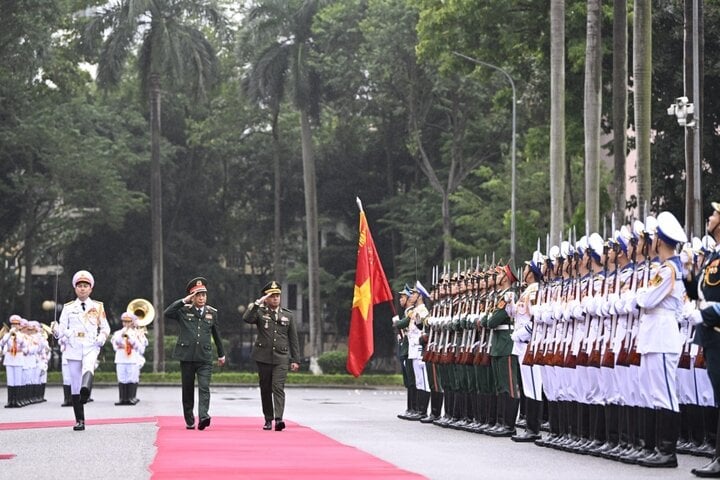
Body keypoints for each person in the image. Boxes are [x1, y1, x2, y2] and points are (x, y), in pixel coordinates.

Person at [164, 277, 225, 430]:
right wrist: (184, 301)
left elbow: (217, 335)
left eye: (204, 295)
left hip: (205, 357)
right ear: (192, 296)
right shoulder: (183, 311)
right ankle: (189, 418)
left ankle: (204, 416)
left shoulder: (212, 313)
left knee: (204, 387)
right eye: (198, 295)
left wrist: (221, 354)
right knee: (188, 389)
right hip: (187, 357)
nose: (201, 298)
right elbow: (167, 312)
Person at [687, 202, 720, 478]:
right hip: (710, 336)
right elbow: (698, 289)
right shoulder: (713, 255)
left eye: (715, 214)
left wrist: (706, 313)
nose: (710, 217)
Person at [57, 270, 111, 431]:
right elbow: (61, 328)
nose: (82, 288)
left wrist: (101, 339)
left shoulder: (97, 306)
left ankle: (86, 390)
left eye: (85, 286)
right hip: (73, 346)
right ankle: (80, 420)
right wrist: (57, 331)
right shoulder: (68, 308)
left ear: (91, 289)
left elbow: (105, 327)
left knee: (89, 367)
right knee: (74, 384)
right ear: (75, 288)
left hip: (90, 345)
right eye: (79, 286)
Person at [243, 281, 300, 431]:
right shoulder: (260, 313)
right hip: (263, 357)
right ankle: (268, 419)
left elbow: (293, 338)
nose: (275, 299)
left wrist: (295, 359)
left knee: (278, 387)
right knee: (266, 388)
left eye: (277, 296)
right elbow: (247, 318)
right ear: (266, 298)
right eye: (272, 296)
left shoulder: (288, 315)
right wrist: (257, 303)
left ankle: (279, 418)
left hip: (281, 357)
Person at [111, 312, 147, 406]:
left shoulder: (137, 334)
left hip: (132, 359)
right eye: (124, 321)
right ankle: (122, 398)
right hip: (121, 358)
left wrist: (131, 339)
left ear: (132, 322)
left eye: (128, 321)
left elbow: (141, 348)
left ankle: (131, 397)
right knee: (122, 378)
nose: (126, 324)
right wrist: (122, 336)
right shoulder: (118, 333)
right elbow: (115, 345)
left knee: (131, 378)